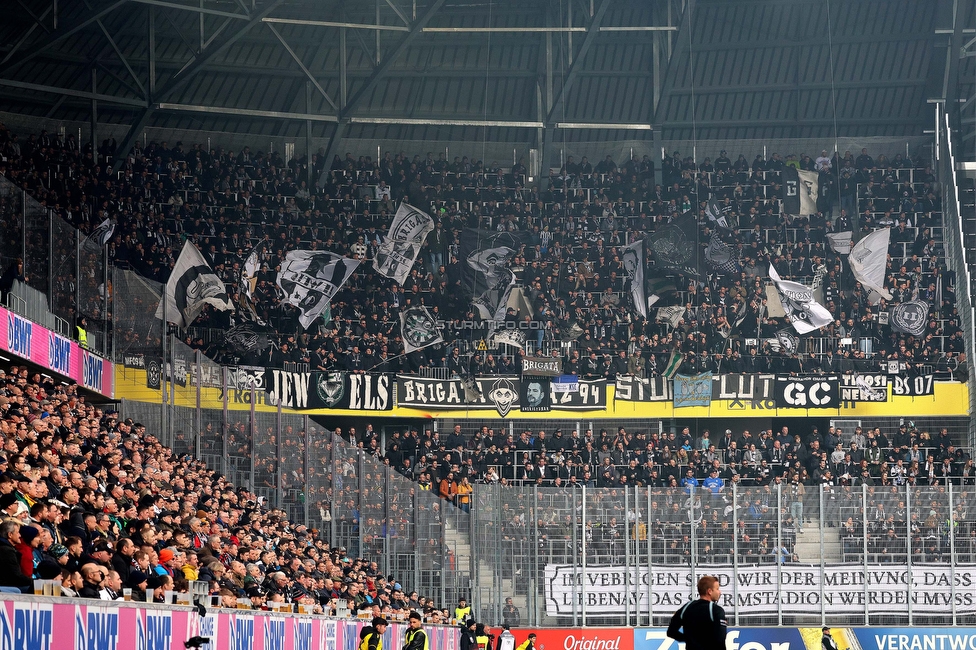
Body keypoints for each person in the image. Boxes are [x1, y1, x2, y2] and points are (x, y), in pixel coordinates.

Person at [666, 575, 727, 650]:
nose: (719, 592)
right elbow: (720, 639)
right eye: (717, 589)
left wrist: (689, 639)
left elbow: (671, 632)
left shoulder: (686, 607)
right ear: (709, 591)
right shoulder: (715, 610)